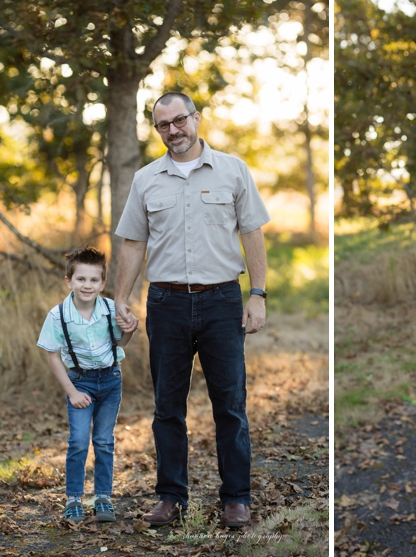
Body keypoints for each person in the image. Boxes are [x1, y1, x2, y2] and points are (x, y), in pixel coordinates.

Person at [112, 92, 270, 529]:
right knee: (167, 407)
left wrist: (257, 294)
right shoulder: (146, 180)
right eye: (163, 125)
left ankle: (236, 498)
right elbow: (133, 243)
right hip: (166, 304)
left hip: (222, 300)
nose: (173, 131)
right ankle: (170, 497)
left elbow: (252, 233)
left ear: (195, 118)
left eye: (179, 120)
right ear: (157, 129)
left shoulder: (233, 170)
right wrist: (121, 298)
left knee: (230, 405)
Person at [36, 247, 137, 524]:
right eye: (81, 279)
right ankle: (73, 500)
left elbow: (119, 343)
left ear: (103, 283)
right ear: (68, 281)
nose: (87, 285)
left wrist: (129, 332)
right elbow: (53, 356)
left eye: (94, 280)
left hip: (111, 380)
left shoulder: (108, 309)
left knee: (104, 441)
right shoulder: (57, 316)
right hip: (79, 383)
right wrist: (72, 391)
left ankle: (103, 497)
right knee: (78, 442)